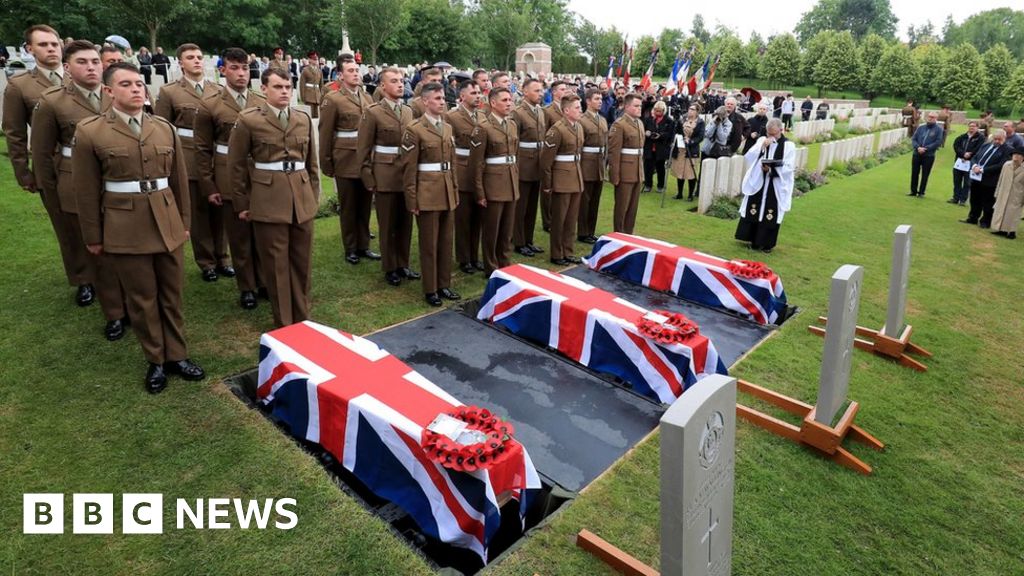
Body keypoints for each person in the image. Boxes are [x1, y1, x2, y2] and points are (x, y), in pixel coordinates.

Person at [73, 62, 204, 393]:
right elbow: (86, 191)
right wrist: (93, 236)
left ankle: (177, 354)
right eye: (126, 84)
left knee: (172, 294)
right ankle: (156, 360)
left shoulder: (163, 128)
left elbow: (178, 182)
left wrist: (184, 222)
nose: (136, 89)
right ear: (108, 91)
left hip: (167, 221)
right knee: (143, 297)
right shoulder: (91, 131)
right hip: (124, 226)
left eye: (139, 83)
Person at [32, 39, 129, 340]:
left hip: (116, 185)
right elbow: (42, 153)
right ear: (67, 67)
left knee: (125, 249)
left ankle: (134, 304)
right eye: (82, 62)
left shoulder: (116, 93)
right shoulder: (52, 102)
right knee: (96, 252)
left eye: (95, 62)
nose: (91, 68)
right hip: (74, 184)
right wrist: (52, 196)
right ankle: (115, 313)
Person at [2, 25, 94, 305]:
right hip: (52, 165)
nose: (51, 49)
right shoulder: (21, 86)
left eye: (54, 44)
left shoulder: (77, 76)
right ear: (29, 49)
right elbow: (15, 132)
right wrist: (24, 172)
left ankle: (107, 273)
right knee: (67, 226)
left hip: (91, 162)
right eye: (43, 45)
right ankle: (83, 279)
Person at [227, 67, 320, 327]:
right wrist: (242, 203)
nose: (284, 92)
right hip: (268, 199)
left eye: (288, 87)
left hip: (300, 199)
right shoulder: (249, 120)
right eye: (278, 87)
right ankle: (285, 324)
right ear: (264, 89)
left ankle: (303, 319)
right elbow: (235, 165)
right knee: (277, 266)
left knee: (302, 263)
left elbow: (311, 165)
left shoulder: (301, 118)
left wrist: (312, 197)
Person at [194, 47, 267, 310]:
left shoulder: (260, 100)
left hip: (259, 174)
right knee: (238, 235)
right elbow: (202, 148)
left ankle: (263, 281)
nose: (241, 73)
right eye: (234, 68)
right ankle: (247, 286)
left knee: (261, 232)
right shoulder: (210, 104)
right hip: (226, 175)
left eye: (245, 67)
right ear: (223, 70)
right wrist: (208, 183)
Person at [155, 43, 232, 282]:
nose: (197, 61)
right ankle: (207, 261)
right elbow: (161, 128)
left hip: (215, 156)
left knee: (220, 208)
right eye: (191, 57)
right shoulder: (170, 92)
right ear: (181, 62)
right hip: (187, 156)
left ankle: (223, 257)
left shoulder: (217, 89)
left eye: (199, 57)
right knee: (198, 211)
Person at [356, 67, 417, 287]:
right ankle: (390, 267)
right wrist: (369, 179)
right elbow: (362, 149)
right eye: (394, 81)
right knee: (388, 224)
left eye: (401, 80)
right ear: (382, 86)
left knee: (405, 222)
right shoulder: (373, 112)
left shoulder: (408, 111)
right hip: (384, 175)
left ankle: (403, 263)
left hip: (406, 176)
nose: (400, 84)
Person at [401, 82, 460, 307]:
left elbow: (452, 163)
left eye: (443, 98)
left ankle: (444, 284)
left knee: (446, 241)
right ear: (425, 101)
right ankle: (430, 288)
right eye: (437, 98)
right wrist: (412, 199)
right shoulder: (414, 129)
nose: (442, 101)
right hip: (426, 193)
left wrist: (454, 189)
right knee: (429, 244)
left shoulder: (447, 128)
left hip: (446, 191)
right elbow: (409, 168)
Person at [319, 54, 379, 266]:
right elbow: (325, 133)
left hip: (365, 160)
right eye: (351, 71)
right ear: (340, 75)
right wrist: (326, 163)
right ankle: (351, 247)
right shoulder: (333, 99)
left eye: (357, 70)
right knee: (349, 206)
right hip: (345, 159)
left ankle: (364, 245)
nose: (356, 74)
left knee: (364, 205)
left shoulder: (367, 98)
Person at [475, 87, 519, 273]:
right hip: (492, 184)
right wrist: (480, 192)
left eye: (510, 100)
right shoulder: (483, 128)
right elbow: (477, 164)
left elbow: (514, 155)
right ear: (493, 103)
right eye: (504, 100)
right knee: (492, 229)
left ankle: (505, 262)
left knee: (507, 228)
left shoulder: (512, 125)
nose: (509, 103)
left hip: (510, 181)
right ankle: (491, 265)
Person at [735, 118, 795, 253]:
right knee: (755, 207)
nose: (771, 137)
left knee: (770, 211)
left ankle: (766, 243)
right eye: (769, 134)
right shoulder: (762, 140)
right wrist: (762, 147)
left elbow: (789, 167)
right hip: (760, 181)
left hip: (776, 183)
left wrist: (772, 170)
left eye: (774, 134)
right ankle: (752, 239)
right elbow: (749, 156)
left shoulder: (788, 146)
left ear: (781, 130)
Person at [445, 80, 486, 274]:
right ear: (462, 96)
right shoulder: (451, 117)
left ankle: (474, 255)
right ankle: (464, 258)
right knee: (463, 218)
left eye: (479, 92)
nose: (478, 96)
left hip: (479, 170)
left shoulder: (482, 116)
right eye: (473, 93)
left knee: (478, 217)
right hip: (461, 168)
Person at [540, 94, 585, 265]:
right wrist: (547, 184)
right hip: (561, 179)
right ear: (566, 110)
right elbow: (546, 161)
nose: (580, 110)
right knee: (559, 219)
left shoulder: (578, 127)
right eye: (577, 108)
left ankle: (568, 250)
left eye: (580, 107)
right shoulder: (556, 130)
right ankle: (557, 254)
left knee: (571, 218)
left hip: (575, 176)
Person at [511, 78, 547, 257]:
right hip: (523, 164)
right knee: (521, 206)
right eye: (536, 90)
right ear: (525, 92)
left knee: (532, 206)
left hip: (537, 164)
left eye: (541, 91)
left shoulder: (540, 111)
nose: (540, 94)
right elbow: (513, 142)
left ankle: (528, 239)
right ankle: (518, 241)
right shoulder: (518, 113)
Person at [608, 93, 645, 234]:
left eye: (640, 105)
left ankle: (629, 234)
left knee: (633, 208)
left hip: (637, 170)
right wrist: (614, 176)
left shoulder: (639, 123)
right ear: (627, 106)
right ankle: (619, 234)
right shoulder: (619, 124)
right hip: (624, 171)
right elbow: (614, 153)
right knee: (622, 207)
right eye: (636, 106)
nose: (639, 108)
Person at [577, 88, 608, 244]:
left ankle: (591, 230)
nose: (600, 101)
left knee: (595, 199)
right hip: (586, 162)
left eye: (601, 98)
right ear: (588, 101)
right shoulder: (582, 120)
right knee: (585, 200)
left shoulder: (602, 120)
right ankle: (582, 231)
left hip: (599, 163)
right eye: (596, 98)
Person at [961, 130, 1009, 228]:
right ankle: (973, 217)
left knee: (988, 201)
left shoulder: (1007, 150)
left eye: (999, 139)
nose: (996, 141)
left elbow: (1001, 165)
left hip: (990, 180)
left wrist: (983, 170)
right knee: (974, 199)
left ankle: (986, 221)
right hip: (976, 177)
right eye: (995, 139)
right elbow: (975, 157)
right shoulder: (986, 145)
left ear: (1004, 139)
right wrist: (974, 165)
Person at [989, 145, 1024, 239]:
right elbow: (1000, 180)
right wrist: (997, 193)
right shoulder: (1006, 165)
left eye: (1019, 154)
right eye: (1014, 154)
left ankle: (1012, 232)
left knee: (1013, 214)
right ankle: (1000, 229)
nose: (1016, 156)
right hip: (1003, 192)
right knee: (1001, 211)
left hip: (1017, 195)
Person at [671, 104, 705, 200]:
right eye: (689, 108)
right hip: (681, 150)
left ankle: (690, 194)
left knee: (690, 173)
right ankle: (679, 193)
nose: (690, 111)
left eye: (693, 109)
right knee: (680, 172)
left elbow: (700, 136)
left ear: (697, 112)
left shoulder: (700, 122)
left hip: (691, 150)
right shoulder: (682, 120)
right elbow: (676, 131)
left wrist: (691, 141)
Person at [907, 111, 943, 197]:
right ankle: (913, 191)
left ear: (936, 119)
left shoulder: (938, 130)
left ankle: (921, 192)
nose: (930, 118)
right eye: (929, 116)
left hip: (928, 155)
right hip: (917, 153)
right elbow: (914, 139)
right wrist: (918, 147)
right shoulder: (921, 128)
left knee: (925, 174)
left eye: (933, 117)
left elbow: (938, 142)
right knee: (915, 173)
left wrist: (926, 149)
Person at [642, 100, 674, 193]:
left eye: (659, 111)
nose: (657, 112)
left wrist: (660, 135)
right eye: (656, 110)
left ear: (663, 111)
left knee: (660, 167)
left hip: (661, 147)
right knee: (648, 167)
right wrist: (647, 132)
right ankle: (648, 184)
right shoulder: (649, 119)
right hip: (649, 146)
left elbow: (670, 134)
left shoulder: (669, 121)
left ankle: (660, 185)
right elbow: (644, 129)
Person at [950, 121, 984, 205]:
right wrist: (962, 154)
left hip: (971, 163)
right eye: (970, 126)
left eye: (973, 126)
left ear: (977, 127)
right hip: (959, 161)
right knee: (957, 181)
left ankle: (963, 200)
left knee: (967, 182)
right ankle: (955, 198)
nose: (971, 128)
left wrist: (970, 154)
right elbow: (956, 145)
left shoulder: (980, 138)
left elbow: (979, 149)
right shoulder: (963, 137)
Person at [299, 53, 323, 119]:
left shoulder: (319, 71)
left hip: (317, 96)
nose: (315, 61)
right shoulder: (305, 70)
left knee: (317, 116)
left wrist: (322, 95)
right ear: (309, 60)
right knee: (310, 116)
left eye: (316, 59)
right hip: (309, 96)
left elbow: (321, 85)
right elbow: (302, 85)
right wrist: (303, 97)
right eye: (314, 59)